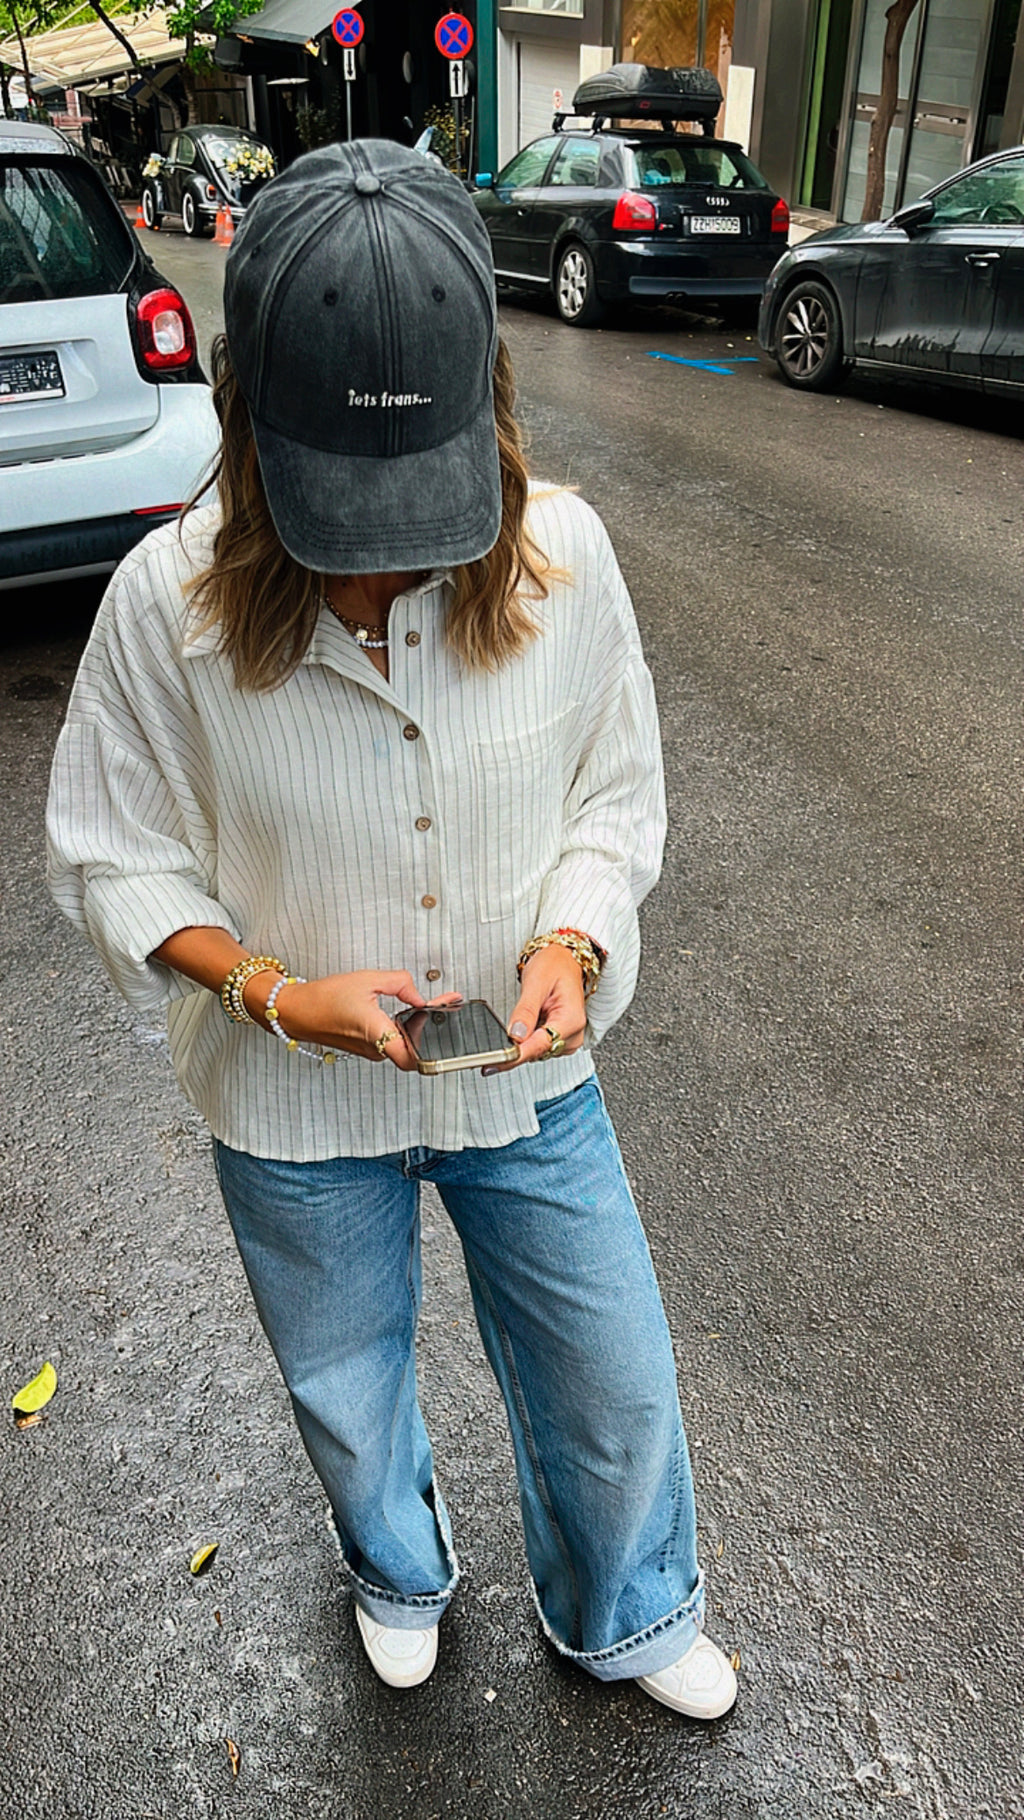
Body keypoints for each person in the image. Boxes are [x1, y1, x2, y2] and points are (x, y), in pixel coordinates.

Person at [46, 139, 736, 1719]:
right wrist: (278, 996)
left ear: (481, 410)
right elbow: (109, 852)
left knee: (607, 1367)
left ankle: (629, 1606)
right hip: (289, 1099)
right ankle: (398, 1565)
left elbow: (613, 798)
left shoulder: (567, 556)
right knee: (346, 1385)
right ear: (249, 422)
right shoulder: (166, 601)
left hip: (523, 1077)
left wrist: (568, 942)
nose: (390, 554)